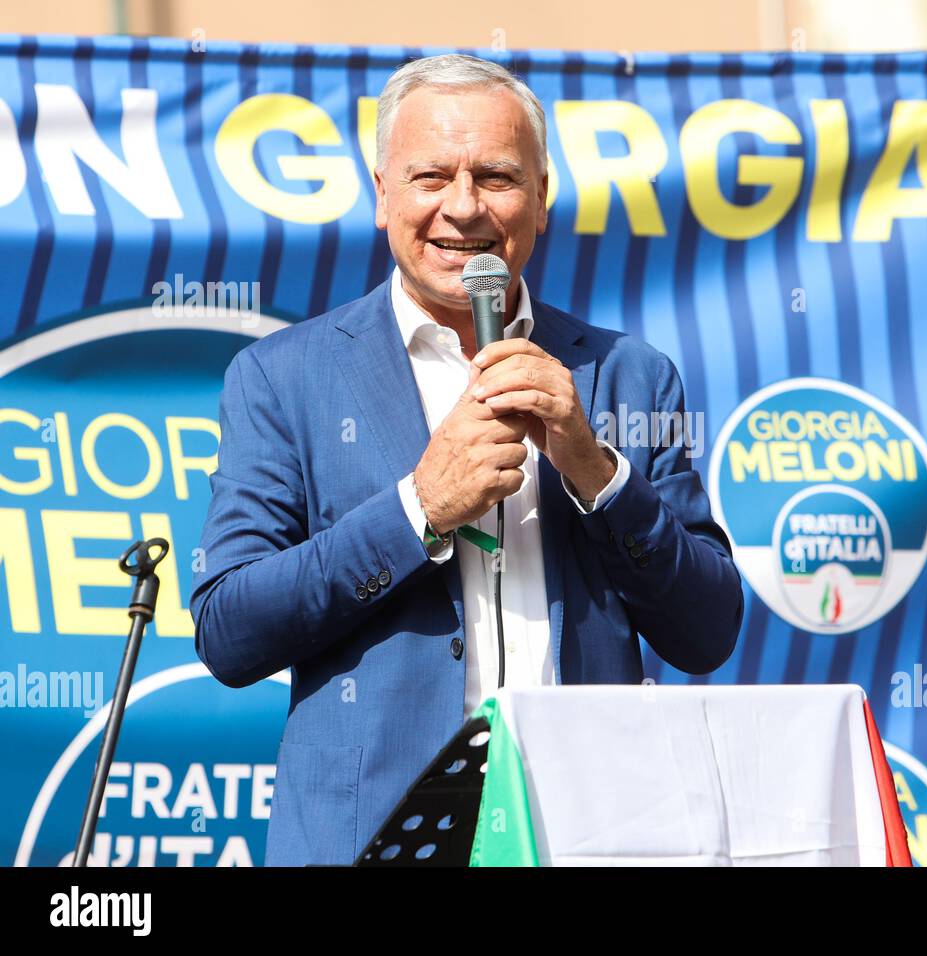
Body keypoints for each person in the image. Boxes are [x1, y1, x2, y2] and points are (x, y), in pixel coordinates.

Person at [190, 54, 744, 866]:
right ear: (382, 194)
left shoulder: (628, 374)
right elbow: (230, 629)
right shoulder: (285, 377)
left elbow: (708, 630)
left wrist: (597, 473)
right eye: (430, 176)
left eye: (496, 176)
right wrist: (418, 509)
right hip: (372, 844)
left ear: (542, 198)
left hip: (590, 837)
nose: (464, 207)